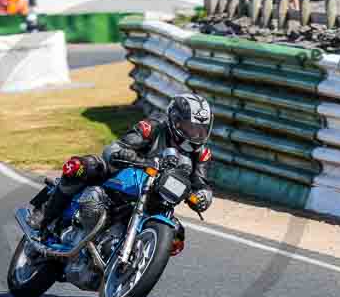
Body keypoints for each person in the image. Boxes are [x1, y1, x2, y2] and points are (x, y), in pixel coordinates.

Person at [30, 94, 215, 235]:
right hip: (126, 175)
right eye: (190, 127)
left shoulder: (201, 154)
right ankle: (46, 214)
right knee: (82, 166)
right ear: (175, 121)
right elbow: (114, 148)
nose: (195, 134)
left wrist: (203, 196)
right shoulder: (154, 127)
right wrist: (130, 155)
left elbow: (201, 183)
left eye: (200, 130)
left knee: (177, 235)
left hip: (158, 198)